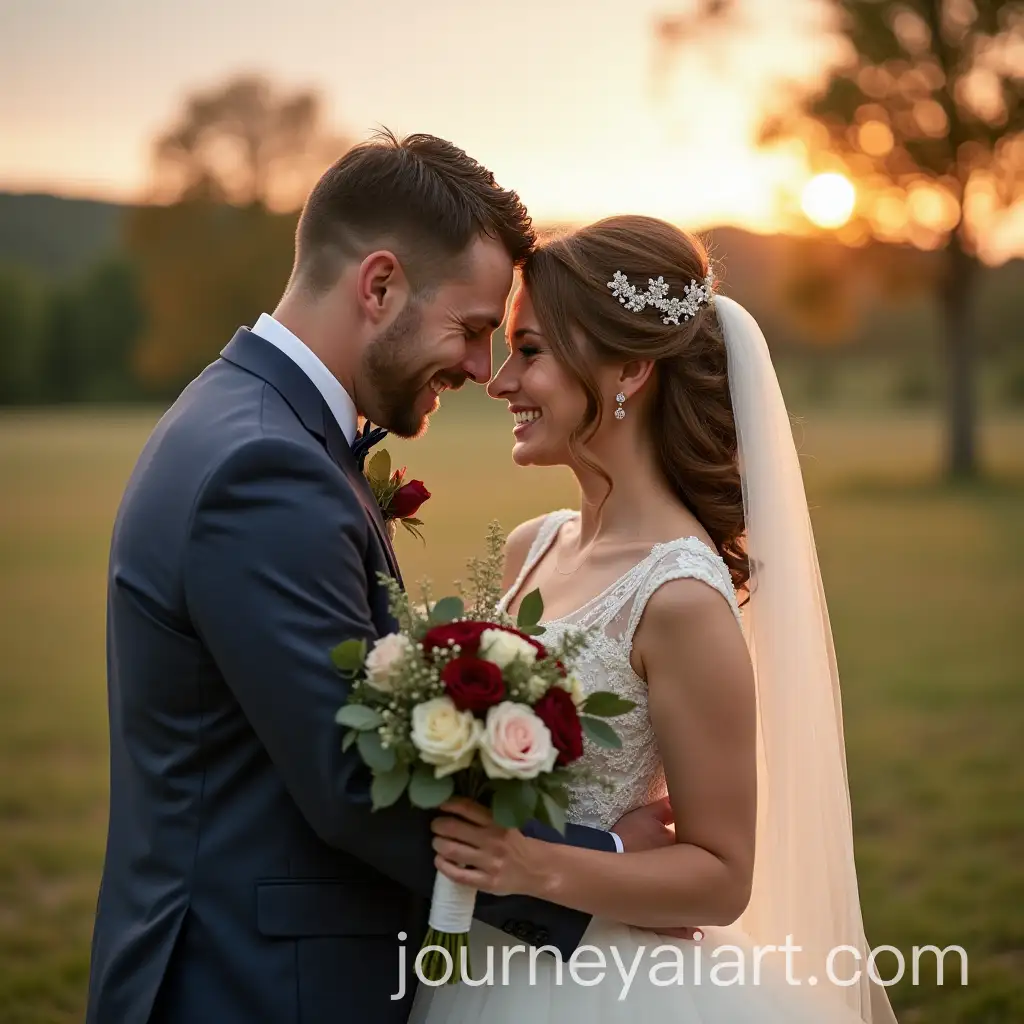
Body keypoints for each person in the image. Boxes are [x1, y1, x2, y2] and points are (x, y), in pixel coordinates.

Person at [85, 135, 680, 1024]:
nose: (484, 371)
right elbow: (354, 783)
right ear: (379, 285)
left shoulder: (250, 424)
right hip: (252, 988)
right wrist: (592, 858)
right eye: (475, 330)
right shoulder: (265, 468)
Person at [412, 215, 899, 1023]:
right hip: (479, 959)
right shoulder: (531, 548)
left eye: (528, 351)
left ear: (630, 368)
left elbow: (720, 876)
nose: (499, 383)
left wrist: (531, 866)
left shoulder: (679, 598)